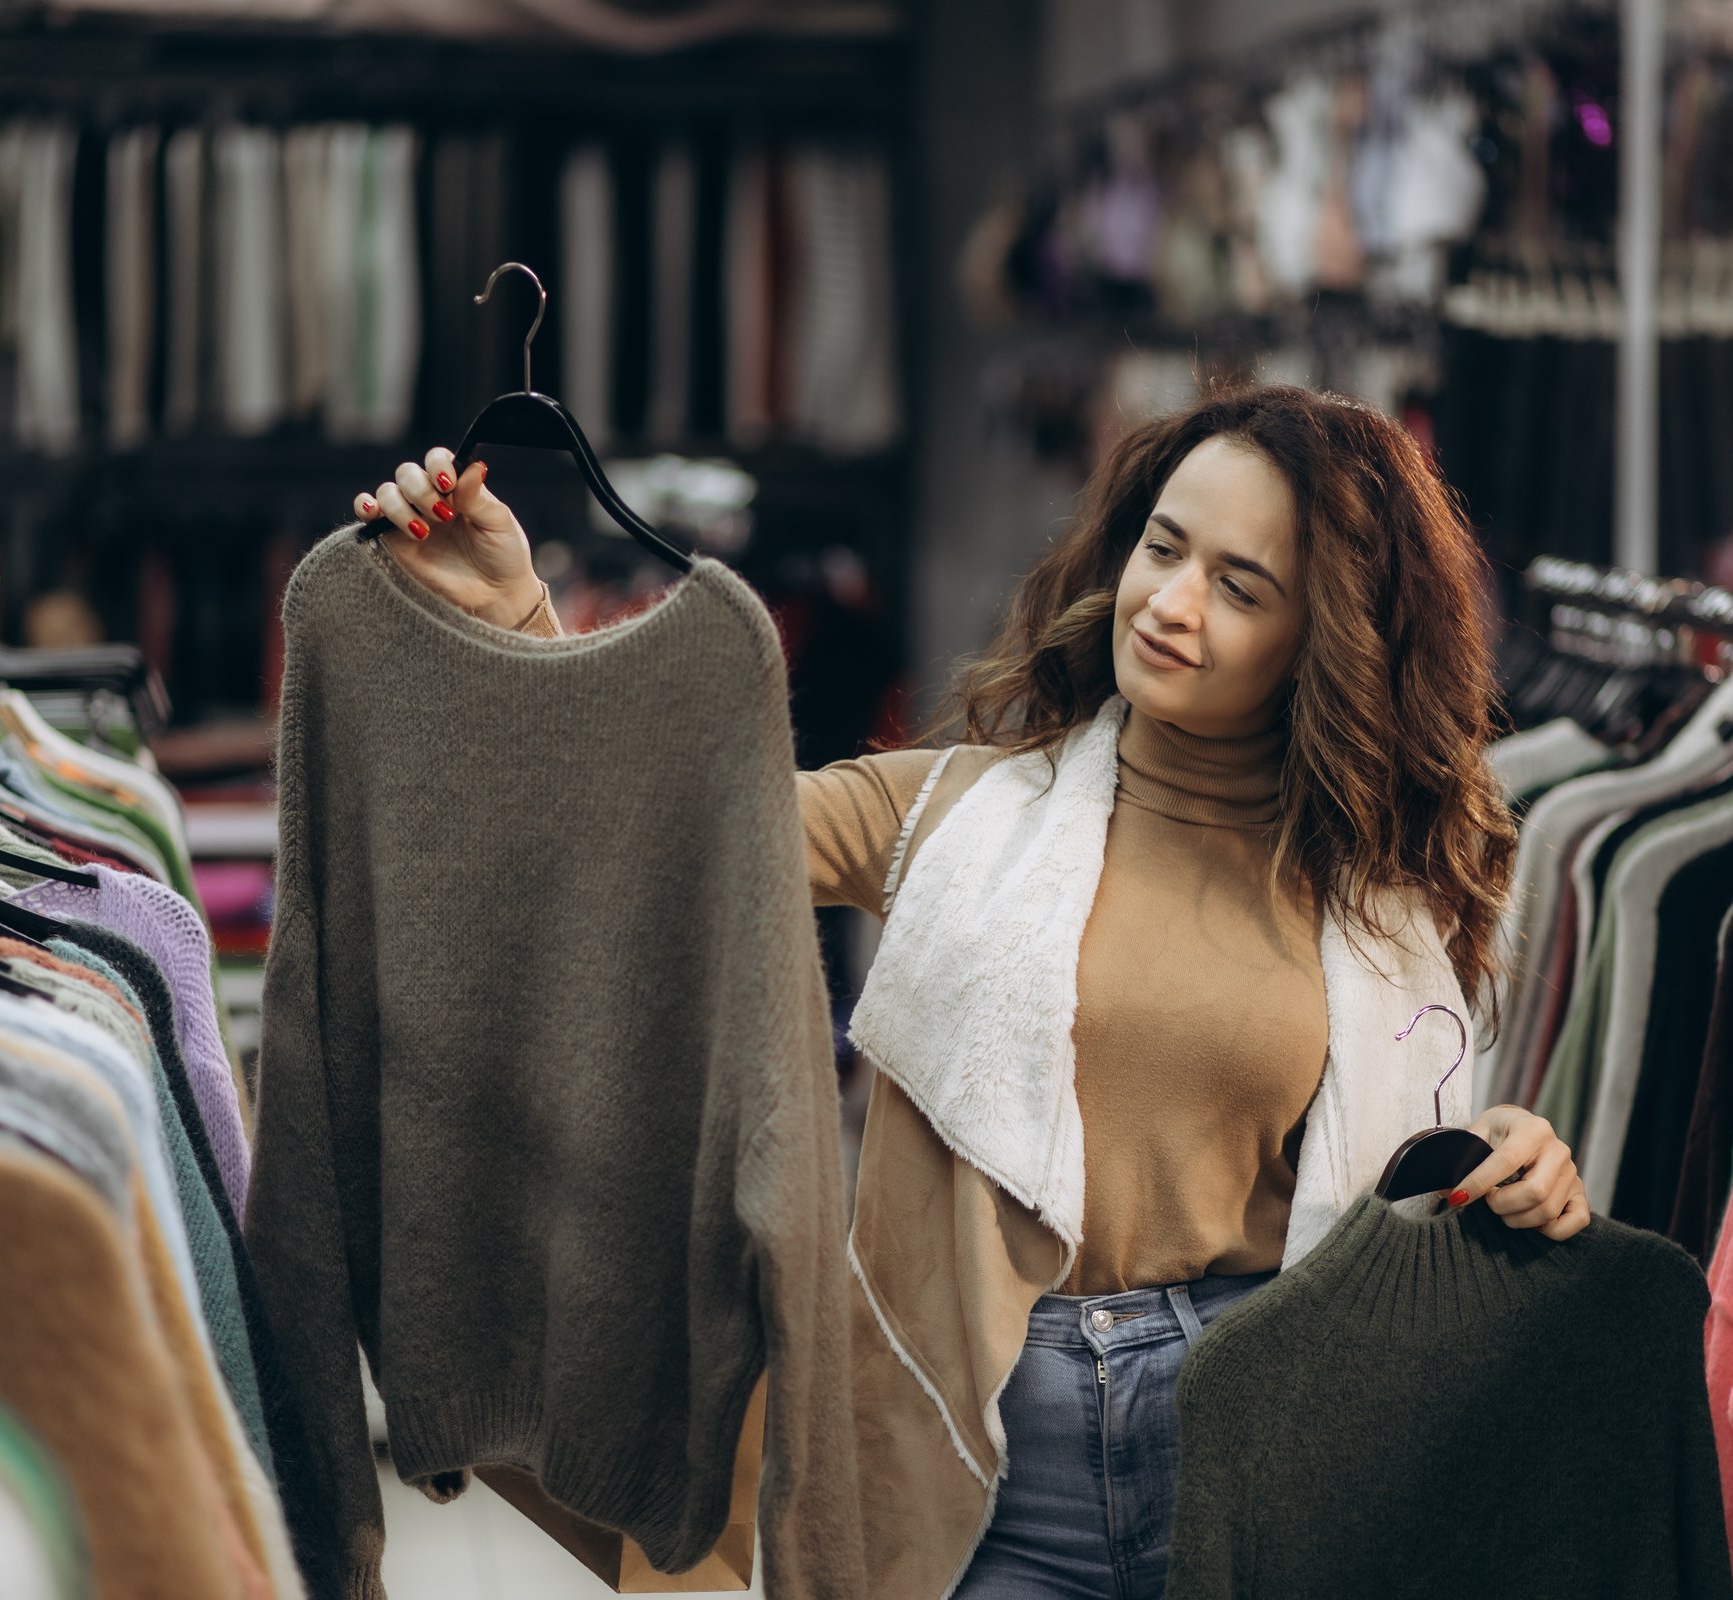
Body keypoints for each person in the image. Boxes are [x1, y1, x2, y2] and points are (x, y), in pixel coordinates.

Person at [351, 382, 1588, 1600]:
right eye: (1165, 545)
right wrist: (516, 615)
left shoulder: (1385, 904)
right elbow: (646, 822)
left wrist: (1508, 1155)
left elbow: (1386, 1194)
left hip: (1253, 1461)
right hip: (979, 1466)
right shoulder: (953, 814)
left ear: (1322, 638)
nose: (1171, 600)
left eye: (1240, 585)